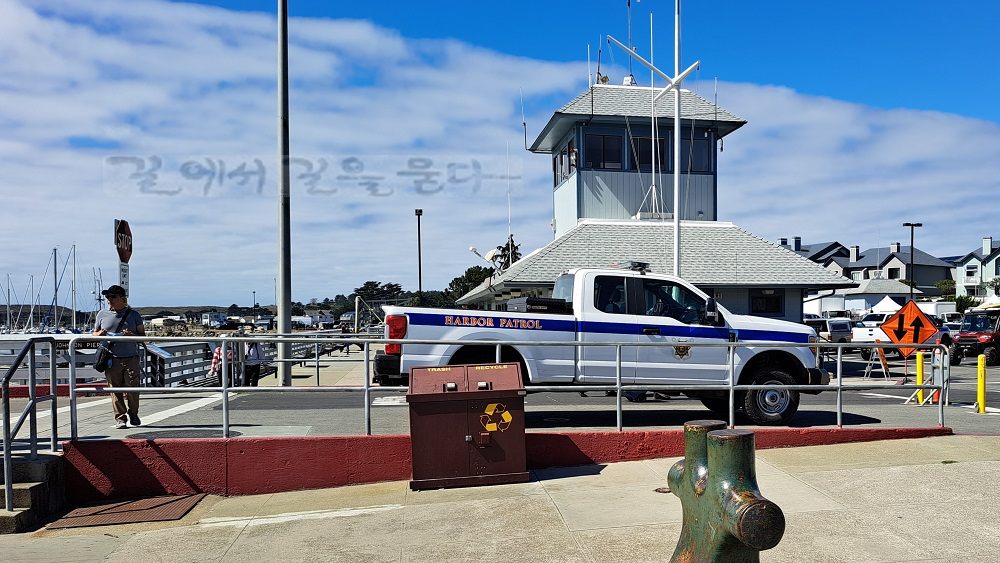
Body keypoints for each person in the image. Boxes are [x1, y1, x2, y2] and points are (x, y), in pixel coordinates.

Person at [92, 285, 145, 429]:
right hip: (111, 358)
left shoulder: (134, 315)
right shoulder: (102, 314)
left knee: (133, 389)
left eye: (113, 297)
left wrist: (132, 336)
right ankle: (120, 418)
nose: (109, 300)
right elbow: (94, 332)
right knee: (115, 390)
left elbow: (143, 337)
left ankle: (133, 414)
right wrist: (99, 335)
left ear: (123, 298)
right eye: (107, 297)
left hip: (131, 357)